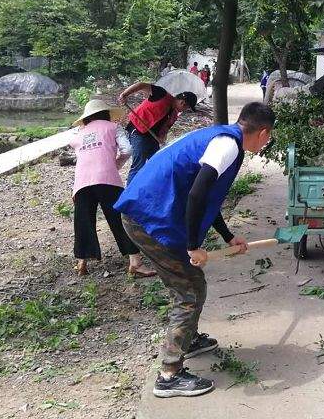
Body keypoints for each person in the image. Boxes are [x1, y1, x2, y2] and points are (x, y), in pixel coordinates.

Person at [114, 102, 275, 398]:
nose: (267, 143)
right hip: (147, 217)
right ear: (263, 132)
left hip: (149, 213)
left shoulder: (223, 138)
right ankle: (169, 375)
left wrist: (228, 238)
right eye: (268, 137)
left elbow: (206, 197)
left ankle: (187, 340)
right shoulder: (227, 147)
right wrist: (192, 247)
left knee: (190, 285)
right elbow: (197, 193)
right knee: (189, 291)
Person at [69, 99, 156, 278]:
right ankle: (135, 262)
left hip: (82, 182)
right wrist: (115, 164)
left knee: (83, 221)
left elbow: (82, 158)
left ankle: (82, 263)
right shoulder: (113, 127)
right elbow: (127, 150)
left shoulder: (78, 134)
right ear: (106, 113)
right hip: (107, 178)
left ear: (86, 117)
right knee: (119, 219)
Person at [117, 82, 198, 184]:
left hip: (152, 137)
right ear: (183, 103)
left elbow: (165, 129)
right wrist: (124, 95)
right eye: (186, 108)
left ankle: (149, 187)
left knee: (156, 162)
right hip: (138, 130)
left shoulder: (174, 113)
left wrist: (162, 139)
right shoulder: (161, 94)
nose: (185, 110)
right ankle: (129, 193)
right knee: (139, 163)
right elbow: (141, 85)